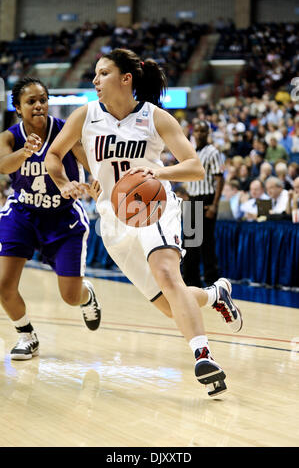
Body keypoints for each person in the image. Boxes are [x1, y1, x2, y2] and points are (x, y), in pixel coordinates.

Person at [46, 48, 242, 397]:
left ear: (126, 79)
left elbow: (194, 167)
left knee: (168, 275)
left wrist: (158, 170)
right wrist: (66, 183)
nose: (95, 80)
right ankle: (215, 294)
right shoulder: (85, 115)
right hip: (113, 220)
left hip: (155, 207)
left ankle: (203, 355)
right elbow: (55, 155)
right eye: (95, 74)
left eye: (103, 73)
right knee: (170, 306)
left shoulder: (156, 118)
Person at [0, 77, 102, 361]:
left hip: (62, 217)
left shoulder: (64, 130)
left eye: (43, 100)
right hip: (23, 214)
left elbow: (90, 163)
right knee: (3, 285)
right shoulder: (9, 137)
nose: (38, 105)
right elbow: (2, 165)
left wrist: (95, 182)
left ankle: (87, 295)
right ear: (18, 108)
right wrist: (25, 152)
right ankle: (26, 335)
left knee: (70, 296)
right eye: (30, 101)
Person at [182, 120, 224, 287]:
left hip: (207, 198)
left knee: (206, 242)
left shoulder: (213, 152)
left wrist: (214, 205)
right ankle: (191, 281)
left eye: (203, 131)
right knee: (189, 243)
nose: (199, 134)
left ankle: (211, 281)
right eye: (197, 131)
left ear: (208, 133)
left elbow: (220, 179)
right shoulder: (190, 151)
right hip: (192, 198)